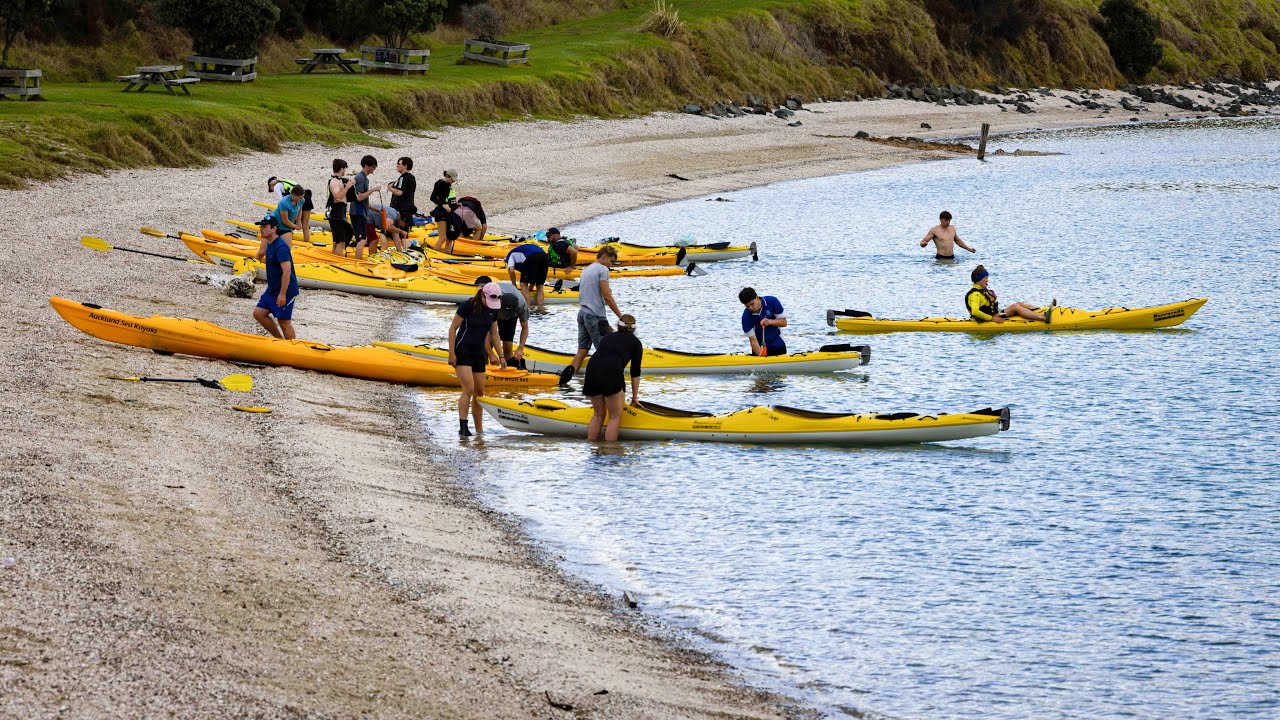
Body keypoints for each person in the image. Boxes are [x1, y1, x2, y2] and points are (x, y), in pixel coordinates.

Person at [559, 244, 624, 384]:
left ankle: (566, 380)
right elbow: (607, 296)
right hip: (595, 315)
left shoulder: (586, 269)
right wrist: (620, 316)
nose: (611, 265)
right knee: (605, 350)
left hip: (582, 313)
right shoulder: (602, 269)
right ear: (604, 256)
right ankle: (601, 381)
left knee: (582, 351)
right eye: (611, 261)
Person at [448, 282, 506, 436]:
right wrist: (451, 353)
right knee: (469, 388)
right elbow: (453, 329)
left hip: (479, 353)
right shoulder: (468, 306)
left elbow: (494, 334)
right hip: (463, 350)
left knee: (479, 392)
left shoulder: (493, 310)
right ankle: (463, 426)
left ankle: (479, 431)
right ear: (482, 295)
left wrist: (501, 356)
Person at [584, 314, 642, 442]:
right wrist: (635, 397)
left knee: (598, 414)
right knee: (615, 416)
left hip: (592, 368)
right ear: (634, 329)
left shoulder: (607, 337)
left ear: (617, 326)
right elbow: (635, 372)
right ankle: (610, 449)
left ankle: (592, 447)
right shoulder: (636, 343)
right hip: (611, 371)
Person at [251, 216, 298, 340]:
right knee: (259, 313)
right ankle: (279, 340)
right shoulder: (269, 244)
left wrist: (282, 294)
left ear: (274, 229)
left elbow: (287, 271)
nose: (261, 229)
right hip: (272, 289)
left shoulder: (281, 247)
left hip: (286, 291)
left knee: (284, 322)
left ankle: (292, 350)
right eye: (261, 226)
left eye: (264, 227)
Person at [474, 276, 531, 368]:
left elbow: (525, 328)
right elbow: (483, 332)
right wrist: (490, 353)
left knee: (508, 349)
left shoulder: (522, 305)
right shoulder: (491, 301)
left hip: (512, 317)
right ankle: (483, 368)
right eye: (504, 314)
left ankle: (507, 371)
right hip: (495, 309)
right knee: (485, 348)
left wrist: (520, 348)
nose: (504, 318)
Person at [966, 265, 1051, 324]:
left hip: (994, 315)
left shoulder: (981, 290)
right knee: (1015, 307)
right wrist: (991, 318)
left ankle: (1042, 311)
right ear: (979, 280)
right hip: (986, 319)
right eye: (986, 278)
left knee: (1019, 303)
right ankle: (1043, 318)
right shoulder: (975, 295)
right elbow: (975, 311)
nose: (987, 280)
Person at [739, 287, 787, 356]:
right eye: (747, 306)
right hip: (759, 349)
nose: (751, 308)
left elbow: (784, 323)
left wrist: (770, 322)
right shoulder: (746, 317)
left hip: (778, 346)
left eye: (752, 304)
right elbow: (753, 340)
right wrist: (761, 358)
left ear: (757, 297)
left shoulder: (772, 301)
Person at [267, 176, 313, 245]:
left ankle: (288, 237)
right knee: (305, 227)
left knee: (290, 223)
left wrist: (298, 221)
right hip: (306, 196)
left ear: (271, 185)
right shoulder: (284, 181)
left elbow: (281, 201)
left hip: (298, 197)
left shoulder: (277, 186)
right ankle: (306, 245)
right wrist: (298, 223)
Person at [505, 242, 550, 312]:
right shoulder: (522, 250)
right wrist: (531, 288)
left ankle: (527, 307)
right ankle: (541, 309)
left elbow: (511, 270)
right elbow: (533, 273)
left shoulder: (510, 256)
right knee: (540, 286)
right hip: (544, 257)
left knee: (523, 284)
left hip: (531, 257)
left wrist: (514, 286)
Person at [326, 159, 357, 257]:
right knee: (341, 242)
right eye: (344, 169)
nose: (345, 171)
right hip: (337, 213)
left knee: (337, 241)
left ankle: (333, 259)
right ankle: (336, 262)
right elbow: (338, 197)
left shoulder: (339, 180)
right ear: (341, 169)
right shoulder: (334, 182)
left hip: (341, 212)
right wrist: (347, 187)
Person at [351, 155, 377, 260]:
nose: (374, 169)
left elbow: (365, 201)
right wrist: (373, 190)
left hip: (361, 211)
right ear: (366, 165)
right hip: (358, 212)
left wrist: (377, 210)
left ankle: (358, 260)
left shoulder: (364, 178)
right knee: (362, 239)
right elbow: (359, 197)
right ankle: (358, 262)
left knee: (362, 239)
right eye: (373, 166)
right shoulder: (360, 178)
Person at [429, 169, 459, 253]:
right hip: (440, 212)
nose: (453, 181)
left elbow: (450, 201)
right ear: (447, 176)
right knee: (443, 237)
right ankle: (433, 254)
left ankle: (447, 255)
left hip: (449, 213)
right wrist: (443, 205)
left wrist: (457, 205)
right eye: (452, 179)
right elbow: (433, 197)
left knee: (450, 237)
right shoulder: (439, 184)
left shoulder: (450, 186)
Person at [386, 156, 416, 225]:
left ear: (405, 166)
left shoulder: (404, 177)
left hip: (401, 211)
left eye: (399, 164)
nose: (397, 166)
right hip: (408, 209)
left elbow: (399, 192)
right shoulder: (411, 178)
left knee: (392, 232)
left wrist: (390, 188)